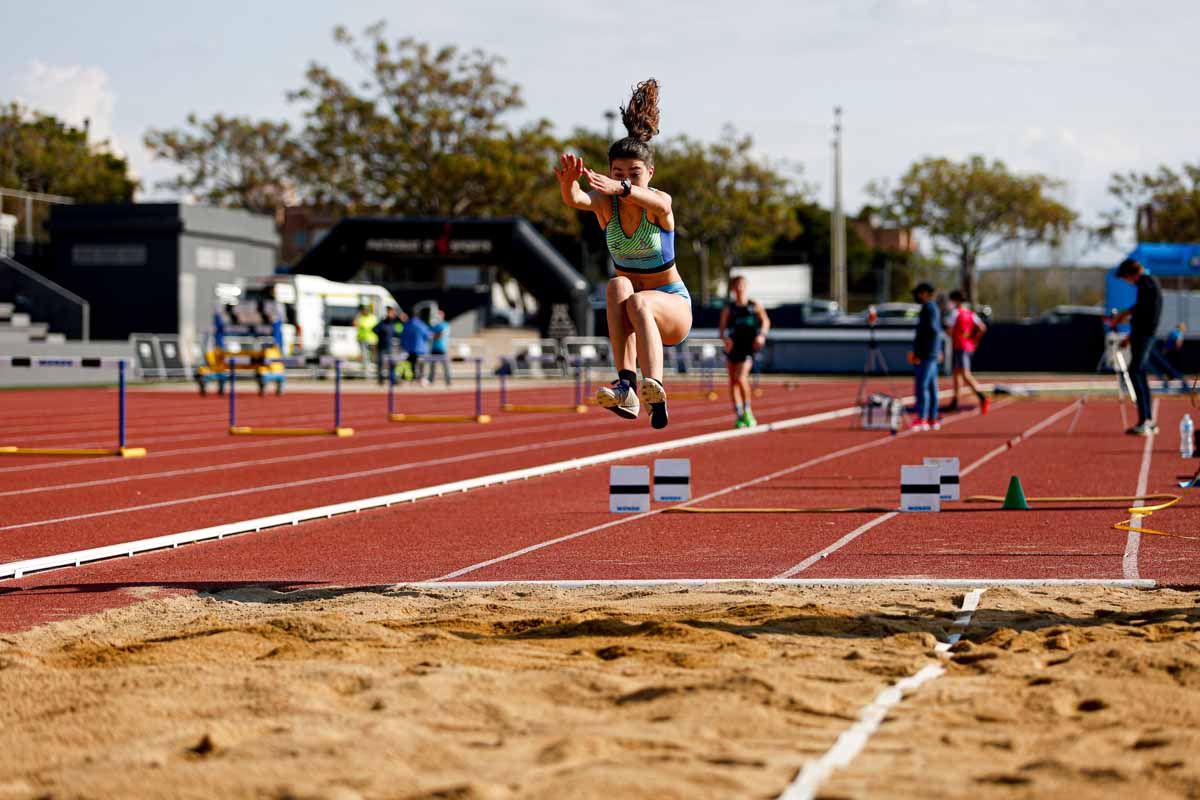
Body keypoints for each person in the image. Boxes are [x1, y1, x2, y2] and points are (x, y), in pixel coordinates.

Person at [554, 78, 691, 429]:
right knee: (618, 287)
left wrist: (624, 187)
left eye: (634, 174)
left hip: (672, 308)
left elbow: (654, 199)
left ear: (650, 173)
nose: (624, 179)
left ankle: (655, 384)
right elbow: (578, 200)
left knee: (641, 301)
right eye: (617, 172)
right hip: (634, 307)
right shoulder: (607, 206)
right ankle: (626, 385)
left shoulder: (658, 204)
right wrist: (568, 182)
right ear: (608, 171)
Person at [1110, 258, 1163, 434]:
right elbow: (1142, 312)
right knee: (1139, 372)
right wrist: (1130, 336)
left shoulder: (1146, 283)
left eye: (1125, 278)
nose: (1127, 282)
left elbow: (1142, 311)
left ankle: (1145, 420)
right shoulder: (1148, 282)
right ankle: (1148, 419)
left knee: (1135, 371)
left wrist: (1123, 316)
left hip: (1145, 335)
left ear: (1129, 274)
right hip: (1143, 334)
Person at [719, 275, 770, 428]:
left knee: (740, 377)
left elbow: (766, 321)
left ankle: (748, 411)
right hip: (733, 347)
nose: (739, 288)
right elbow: (722, 329)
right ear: (733, 289)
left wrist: (761, 335)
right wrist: (725, 339)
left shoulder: (754, 305)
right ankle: (739, 415)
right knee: (733, 382)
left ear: (746, 287)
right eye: (737, 286)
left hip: (748, 347)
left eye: (742, 285)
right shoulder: (729, 309)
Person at [944, 289, 990, 414]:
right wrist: (974, 340)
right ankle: (955, 402)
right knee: (957, 374)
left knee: (965, 374)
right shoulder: (970, 313)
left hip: (960, 347)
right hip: (968, 346)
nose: (950, 303)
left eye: (951, 300)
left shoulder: (955, 313)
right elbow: (982, 327)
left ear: (956, 300)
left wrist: (954, 334)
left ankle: (982, 397)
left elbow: (949, 330)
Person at [908, 282, 942, 431]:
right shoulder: (933, 308)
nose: (917, 296)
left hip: (927, 354)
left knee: (922, 386)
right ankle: (932, 418)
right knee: (932, 387)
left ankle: (922, 418)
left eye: (919, 293)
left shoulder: (928, 308)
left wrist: (919, 352)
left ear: (925, 293)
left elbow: (932, 331)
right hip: (931, 353)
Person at [1148, 323, 1187, 392]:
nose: (1185, 329)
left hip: (1168, 353)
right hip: (1172, 354)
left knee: (1169, 369)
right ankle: (1183, 384)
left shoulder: (1173, 332)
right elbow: (1177, 344)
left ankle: (1168, 383)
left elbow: (1167, 343)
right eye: (1184, 328)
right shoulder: (1178, 333)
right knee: (1172, 369)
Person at [399, 308, 433, 382]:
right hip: (421, 350)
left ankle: (410, 379)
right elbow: (428, 335)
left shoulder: (407, 325)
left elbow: (403, 337)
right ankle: (421, 379)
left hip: (410, 350)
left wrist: (404, 346)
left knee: (410, 365)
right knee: (421, 366)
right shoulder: (421, 324)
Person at [372, 307, 402, 386]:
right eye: (390, 312)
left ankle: (392, 379)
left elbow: (398, 332)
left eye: (392, 313)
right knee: (381, 364)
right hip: (382, 346)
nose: (391, 314)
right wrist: (381, 335)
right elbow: (374, 329)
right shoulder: (382, 322)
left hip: (390, 347)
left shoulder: (394, 323)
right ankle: (380, 380)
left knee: (392, 364)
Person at [426, 309, 452, 386]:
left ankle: (448, 382)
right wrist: (433, 335)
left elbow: (438, 336)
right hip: (434, 348)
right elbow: (429, 334)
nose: (437, 317)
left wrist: (434, 335)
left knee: (445, 366)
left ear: (442, 316)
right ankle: (431, 380)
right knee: (432, 366)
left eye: (439, 315)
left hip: (442, 348)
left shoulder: (445, 325)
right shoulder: (435, 326)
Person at [354, 305, 379, 379]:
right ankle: (366, 373)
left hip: (372, 340)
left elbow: (376, 328)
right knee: (365, 357)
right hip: (363, 340)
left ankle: (373, 372)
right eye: (364, 310)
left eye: (366, 310)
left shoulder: (373, 318)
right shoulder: (360, 318)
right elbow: (356, 324)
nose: (365, 311)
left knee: (373, 357)